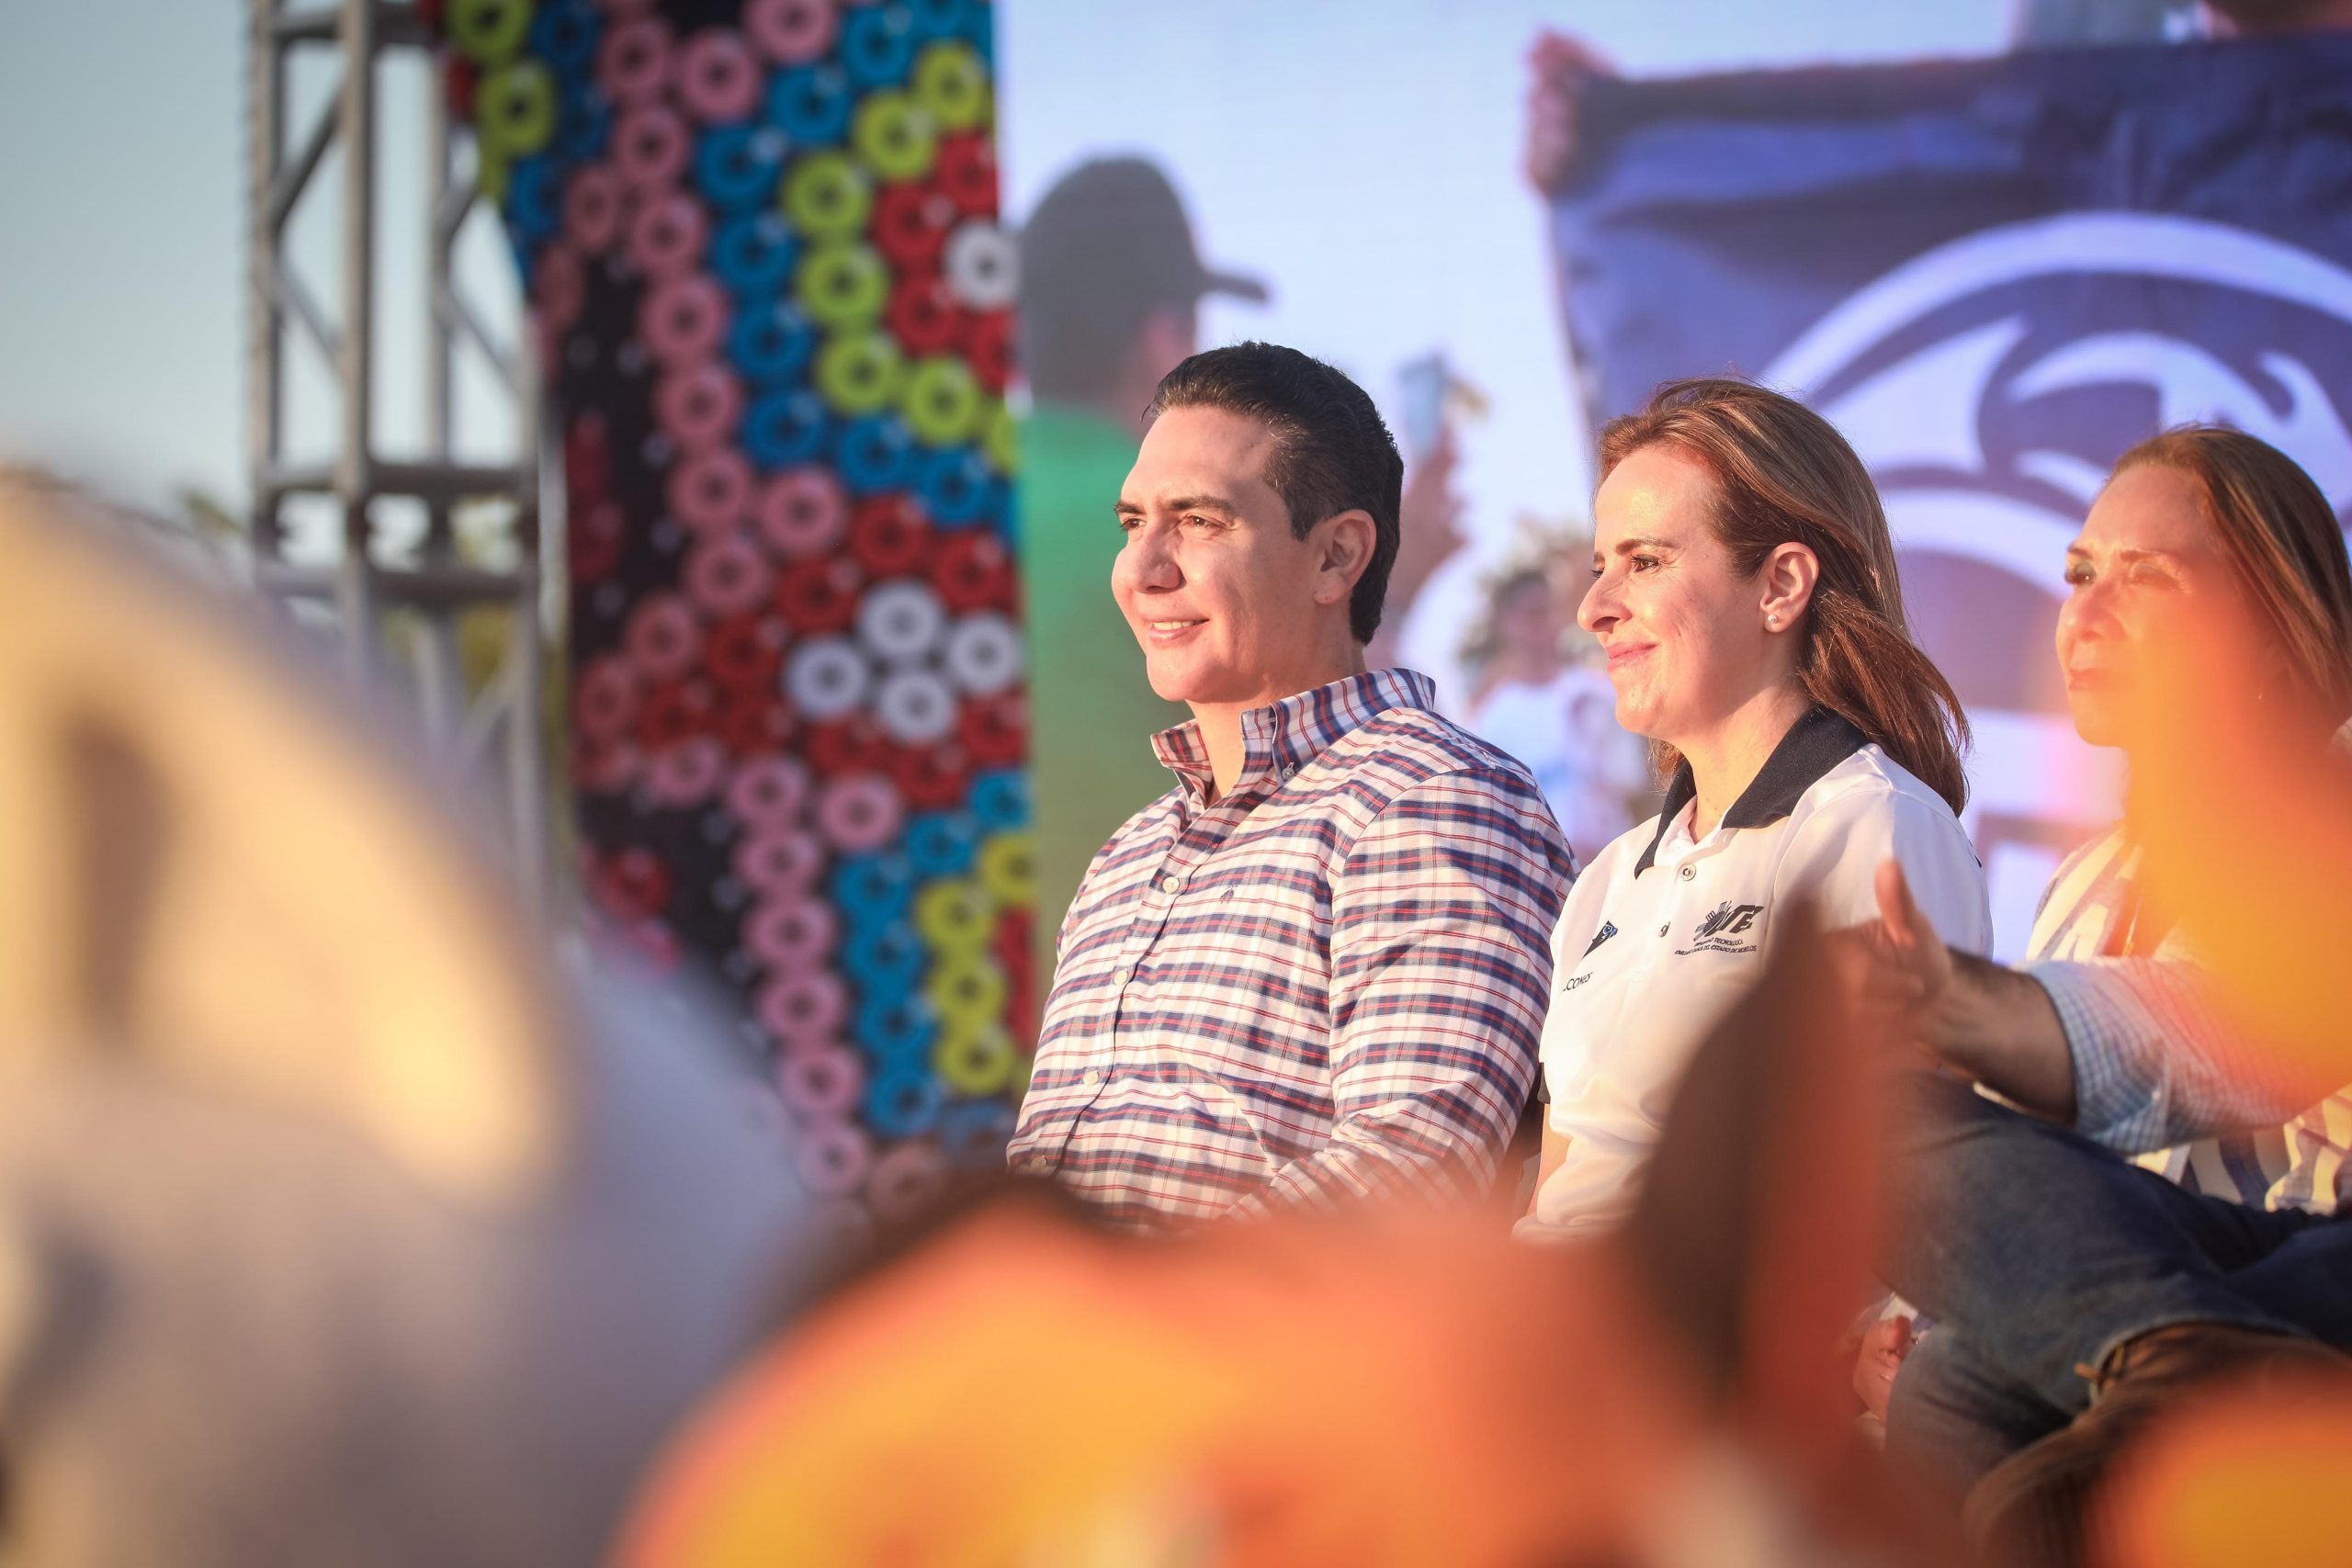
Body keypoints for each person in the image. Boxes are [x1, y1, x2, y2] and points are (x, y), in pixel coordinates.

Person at [1841, 426, 2352, 1558]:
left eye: (2146, 578)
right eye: (2079, 574)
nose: (2085, 613)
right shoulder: (2087, 876)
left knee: (1963, 1390)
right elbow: (2045, 1178)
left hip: (2327, 1245)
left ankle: (2184, 1367)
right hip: (2184, 1276)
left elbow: (2240, 1033)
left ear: (2274, 628)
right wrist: (1920, 1308)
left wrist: (1982, 1010)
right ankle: (2173, 1355)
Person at [1008, 343, 1577, 1227]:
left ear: (1336, 558)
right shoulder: (1129, 856)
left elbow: (1406, 1179)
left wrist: (1100, 1304)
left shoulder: (1433, 798)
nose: (1143, 568)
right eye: (1132, 522)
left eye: (1198, 520)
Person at [1517, 377, 1991, 1239]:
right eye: (1599, 567)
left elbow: (1889, 1203)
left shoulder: (1873, 826)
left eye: (1645, 562)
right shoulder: (1610, 878)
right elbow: (1563, 1186)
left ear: (1781, 585)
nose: (1593, 609)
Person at [1016, 158, 1269, 986]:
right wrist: (1383, 592)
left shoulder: (936, 509)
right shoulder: (1193, 531)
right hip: (1139, 1022)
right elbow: (1324, 793)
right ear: (1163, 342)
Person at [1462, 559, 1645, 863]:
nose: (1541, 625)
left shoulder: (1595, 694)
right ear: (1506, 623)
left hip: (1612, 865)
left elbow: (1631, 787)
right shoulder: (1490, 720)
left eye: (1547, 611)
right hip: (1540, 875)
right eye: (1530, 614)